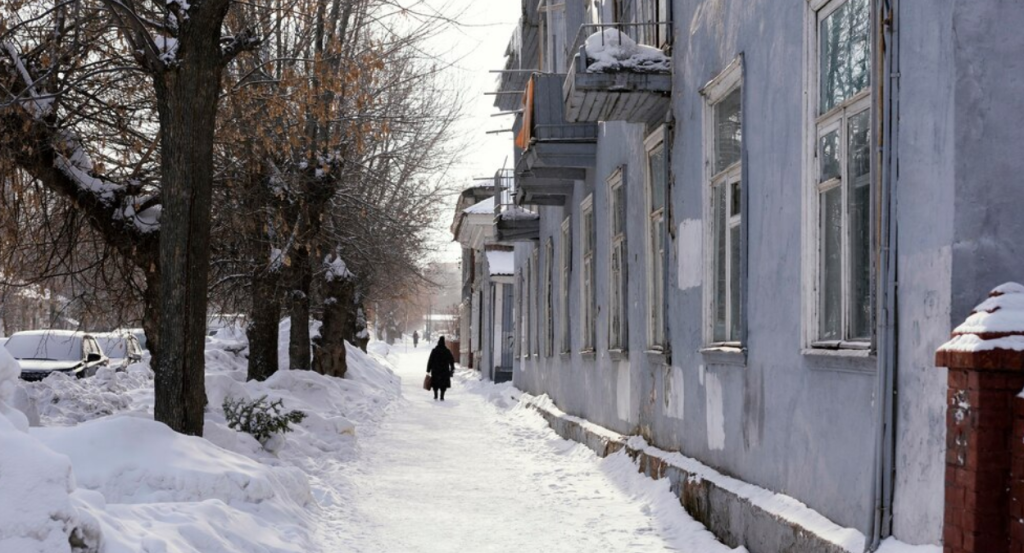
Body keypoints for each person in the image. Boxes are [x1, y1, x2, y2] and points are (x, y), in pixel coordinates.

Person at [426, 336, 455, 401]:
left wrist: (428, 369)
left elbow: (430, 360)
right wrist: (452, 368)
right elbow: (451, 360)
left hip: (435, 370)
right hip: (444, 371)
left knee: (435, 383)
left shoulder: (434, 351)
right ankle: (442, 396)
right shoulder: (447, 351)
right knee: (443, 384)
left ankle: (435, 395)